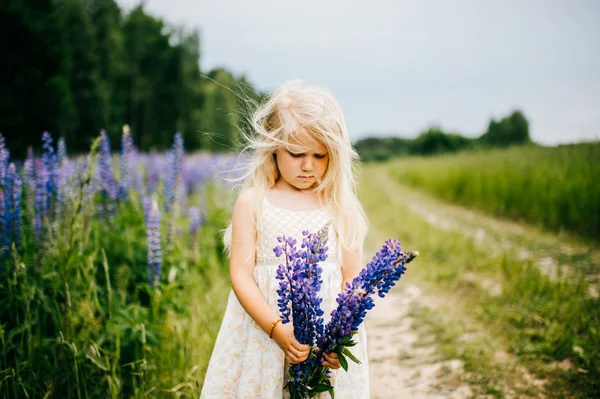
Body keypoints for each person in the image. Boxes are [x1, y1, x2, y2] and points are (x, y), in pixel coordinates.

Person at [200, 80, 370, 398]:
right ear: (272, 146)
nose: (308, 165)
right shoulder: (253, 202)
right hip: (263, 339)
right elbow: (240, 274)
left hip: (324, 344)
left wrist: (339, 337)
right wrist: (277, 329)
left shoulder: (340, 207)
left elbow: (353, 280)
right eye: (296, 153)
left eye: (320, 155)